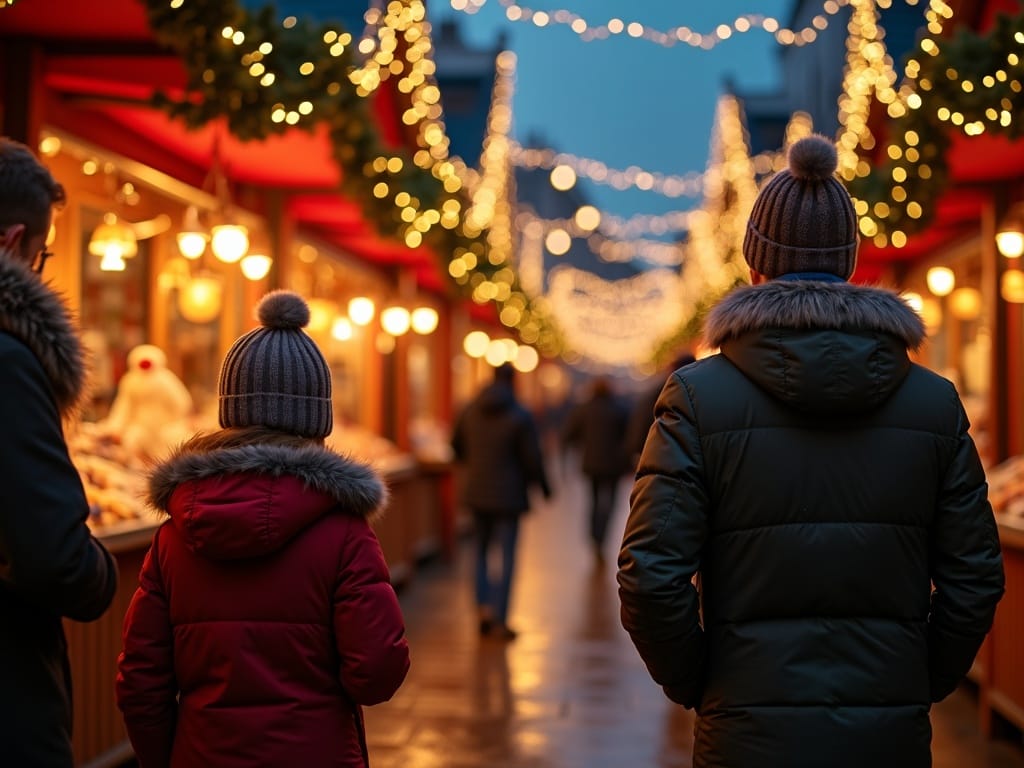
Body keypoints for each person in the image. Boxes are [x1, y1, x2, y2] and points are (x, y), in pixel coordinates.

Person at [617, 134, 1005, 768]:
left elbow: (652, 576)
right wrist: (921, 678)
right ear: (851, 265)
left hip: (747, 731)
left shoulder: (695, 397)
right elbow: (975, 574)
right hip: (887, 730)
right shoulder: (934, 403)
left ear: (754, 268)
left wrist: (700, 681)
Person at [116, 291, 409, 768]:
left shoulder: (174, 535)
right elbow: (377, 671)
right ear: (317, 416)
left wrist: (168, 756)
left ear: (231, 409)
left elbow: (140, 681)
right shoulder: (345, 533)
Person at [0, 137, 119, 766]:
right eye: (41, 256)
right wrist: (101, 571)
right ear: (13, 243)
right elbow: (54, 558)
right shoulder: (9, 362)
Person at [451, 362, 551, 640]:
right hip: (509, 496)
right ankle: (500, 618)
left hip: (477, 493)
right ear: (513, 381)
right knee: (507, 557)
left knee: (480, 553)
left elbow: (456, 446)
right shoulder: (520, 414)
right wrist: (544, 487)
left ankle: (482, 608)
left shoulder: (470, 410)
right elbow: (532, 458)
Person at [562, 376, 632, 563]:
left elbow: (570, 434)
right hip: (614, 465)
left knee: (593, 500)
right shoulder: (620, 409)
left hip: (591, 463)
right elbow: (629, 438)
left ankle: (595, 535)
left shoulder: (583, 409)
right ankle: (602, 535)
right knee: (610, 503)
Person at [625, 351, 697, 467]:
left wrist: (636, 451)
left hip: (659, 457)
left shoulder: (656, 393)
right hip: (687, 459)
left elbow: (640, 424)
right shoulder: (700, 393)